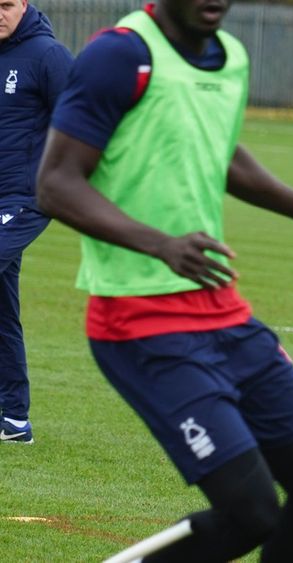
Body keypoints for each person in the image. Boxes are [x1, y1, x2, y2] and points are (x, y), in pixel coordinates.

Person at [35, 1, 293, 560]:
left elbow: (223, 155)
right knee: (252, 514)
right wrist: (161, 244)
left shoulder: (231, 58)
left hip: (226, 316)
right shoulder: (121, 55)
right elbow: (54, 184)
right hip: (139, 324)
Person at [0, 0, 71, 444]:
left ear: (24, 4)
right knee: (2, 313)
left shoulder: (48, 56)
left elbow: (86, 120)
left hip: (27, 198)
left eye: (5, 4)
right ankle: (14, 419)